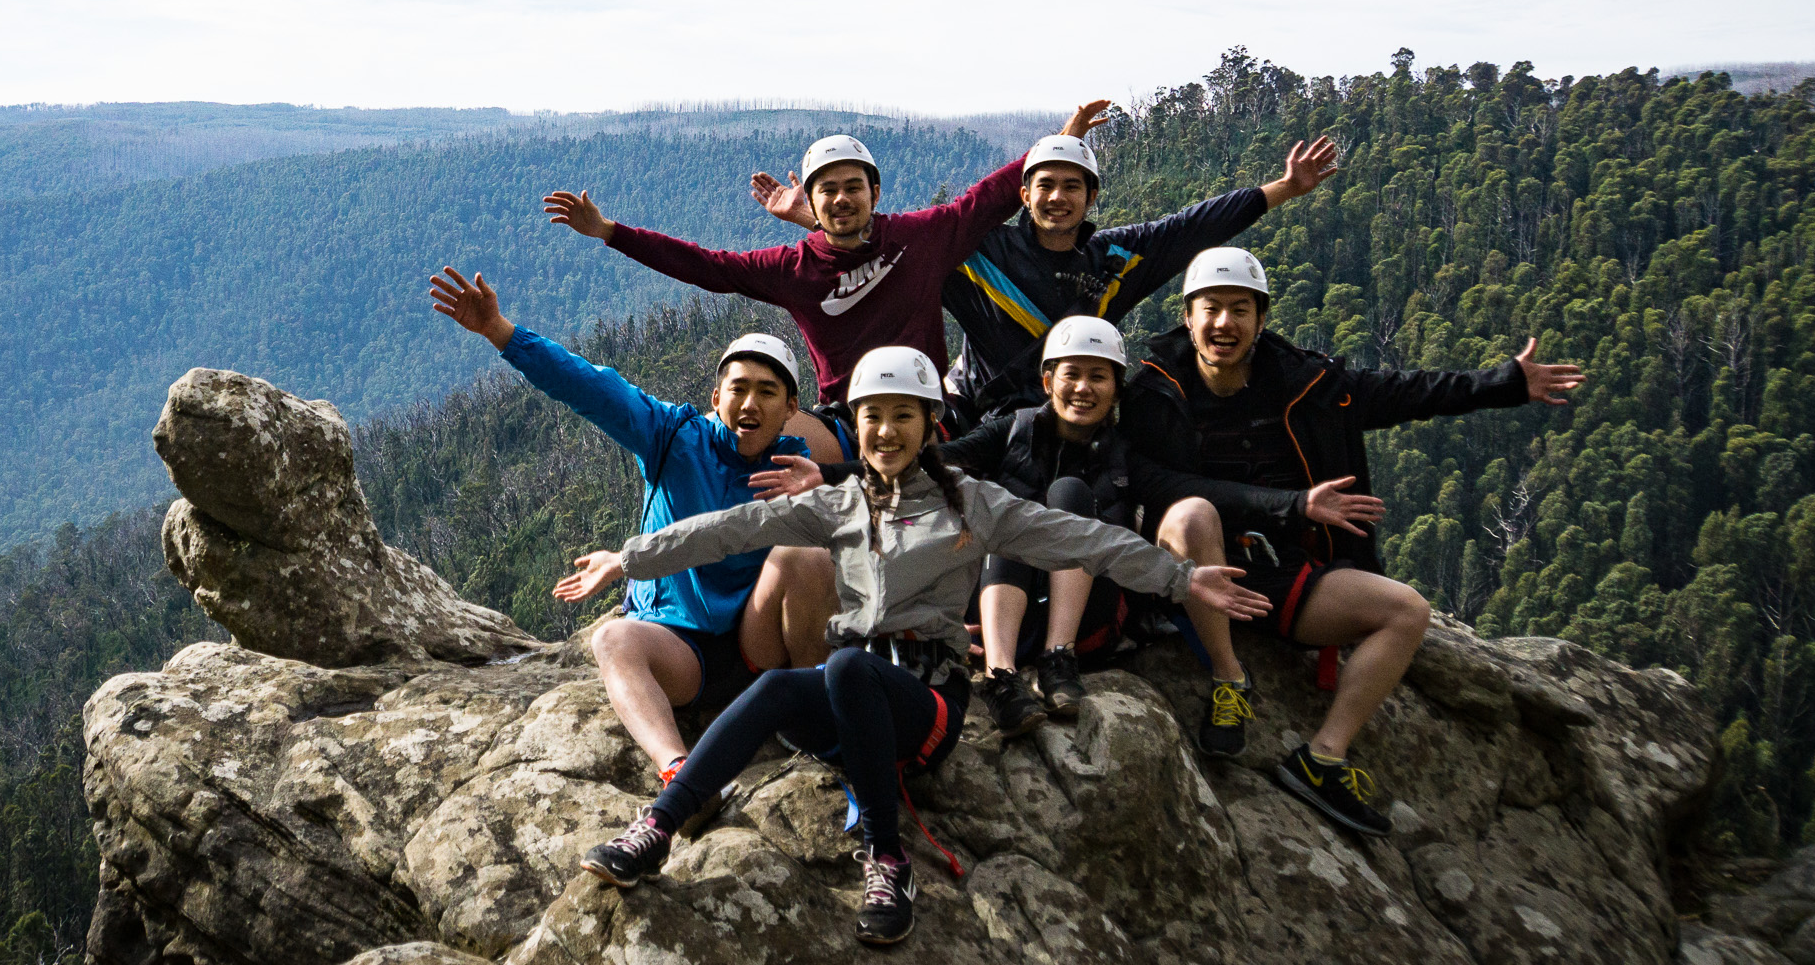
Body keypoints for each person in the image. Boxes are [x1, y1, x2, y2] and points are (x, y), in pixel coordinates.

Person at [557, 345, 1271, 947]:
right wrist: (631, 558)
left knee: (844, 668)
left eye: (904, 416)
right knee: (778, 690)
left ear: (931, 424)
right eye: (873, 417)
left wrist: (1179, 577)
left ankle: (887, 856)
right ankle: (658, 825)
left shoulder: (972, 502)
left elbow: (1079, 537)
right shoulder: (841, 504)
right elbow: (728, 529)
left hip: (926, 707)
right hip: (852, 699)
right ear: (857, 427)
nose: (887, 431)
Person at [1124, 247, 1588, 837]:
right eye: (1210, 308)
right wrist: (1292, 503)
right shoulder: (1152, 389)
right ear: (1186, 317)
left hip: (1284, 571)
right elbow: (1152, 481)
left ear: (1261, 320)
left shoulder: (1309, 384)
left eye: (1240, 309)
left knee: (1406, 611)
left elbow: (1406, 393)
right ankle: (1228, 678)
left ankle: (1323, 757)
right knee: (1190, 515)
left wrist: (1505, 383)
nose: (1224, 323)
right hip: (1195, 572)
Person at [428, 266, 838, 786]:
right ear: (717, 398)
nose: (750, 404)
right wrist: (500, 333)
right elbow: (591, 387)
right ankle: (679, 771)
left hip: (758, 646)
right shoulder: (672, 437)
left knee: (809, 556)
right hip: (679, 645)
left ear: (791, 408)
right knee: (614, 639)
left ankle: (818, 712)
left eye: (767, 391)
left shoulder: (798, 471)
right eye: (738, 389)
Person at [541, 100, 1113, 462]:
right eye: (828, 190)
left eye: (853, 187)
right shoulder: (792, 270)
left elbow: (985, 201)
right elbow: (707, 267)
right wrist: (612, 232)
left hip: (926, 411)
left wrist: (1055, 145)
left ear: (875, 193)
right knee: (750, 432)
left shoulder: (920, 238)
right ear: (811, 202)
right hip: (843, 417)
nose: (842, 199)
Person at [754, 132, 1341, 427]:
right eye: (1046, 185)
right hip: (986, 420)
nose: (1058, 198)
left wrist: (1283, 189)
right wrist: (817, 220)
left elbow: (1190, 228)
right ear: (1024, 194)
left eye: (1073, 187)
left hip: (1079, 416)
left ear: (1090, 198)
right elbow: (893, 249)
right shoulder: (976, 256)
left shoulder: (1116, 261)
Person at [939, 315, 1240, 736]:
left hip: (1086, 626)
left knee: (1069, 493)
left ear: (1116, 390)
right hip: (1000, 614)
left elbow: (1201, 489)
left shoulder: (1125, 459)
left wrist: (1299, 503)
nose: (1083, 388)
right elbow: (931, 465)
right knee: (1008, 509)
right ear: (1048, 382)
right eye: (1071, 375)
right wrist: (833, 475)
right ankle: (1000, 675)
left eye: (1098, 376)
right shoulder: (1012, 432)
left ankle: (1057, 658)